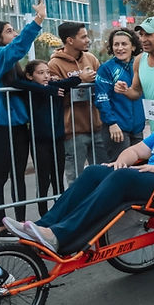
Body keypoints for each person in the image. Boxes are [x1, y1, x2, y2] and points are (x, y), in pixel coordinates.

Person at [3, 79, 154, 253]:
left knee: (121, 178)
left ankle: (60, 235)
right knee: (95, 171)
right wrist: (120, 162)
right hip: (148, 176)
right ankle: (43, 226)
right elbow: (136, 150)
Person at [0, 0, 47, 236]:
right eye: (9, 30)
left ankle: (21, 223)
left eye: (14, 29)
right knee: (0, 175)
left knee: (19, 175)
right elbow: (19, 46)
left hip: (19, 126)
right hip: (1, 127)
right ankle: (2, 224)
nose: (13, 33)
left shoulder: (9, 59)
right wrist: (38, 20)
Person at [13, 60, 80, 217]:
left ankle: (60, 213)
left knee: (58, 179)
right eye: (40, 73)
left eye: (48, 72)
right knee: (43, 181)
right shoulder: (30, 90)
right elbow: (16, 82)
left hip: (57, 139)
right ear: (30, 75)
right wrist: (46, 89)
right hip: (39, 141)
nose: (46, 76)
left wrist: (52, 86)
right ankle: (43, 215)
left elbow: (75, 80)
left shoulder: (56, 87)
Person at [48, 20, 104, 183]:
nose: (88, 40)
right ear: (70, 40)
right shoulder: (54, 64)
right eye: (84, 37)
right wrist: (79, 79)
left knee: (104, 173)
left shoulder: (91, 59)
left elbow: (102, 84)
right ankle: (77, 207)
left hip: (97, 127)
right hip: (72, 131)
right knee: (75, 178)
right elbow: (56, 91)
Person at [94, 29, 145, 162]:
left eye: (124, 44)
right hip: (117, 128)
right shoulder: (106, 68)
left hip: (138, 128)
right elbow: (101, 98)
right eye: (116, 45)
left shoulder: (141, 65)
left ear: (133, 46)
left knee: (139, 169)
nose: (120, 48)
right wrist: (112, 123)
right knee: (121, 169)